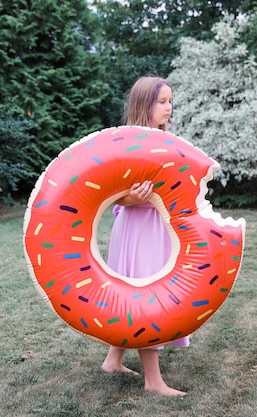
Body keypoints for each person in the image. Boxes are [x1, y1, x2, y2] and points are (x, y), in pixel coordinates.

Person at [101, 76, 189, 396]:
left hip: (157, 228)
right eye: (162, 102)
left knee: (137, 293)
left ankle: (113, 359)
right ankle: (153, 381)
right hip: (137, 229)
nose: (169, 107)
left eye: (170, 101)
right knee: (145, 297)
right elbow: (111, 192)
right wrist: (133, 198)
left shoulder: (167, 140)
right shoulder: (127, 142)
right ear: (144, 106)